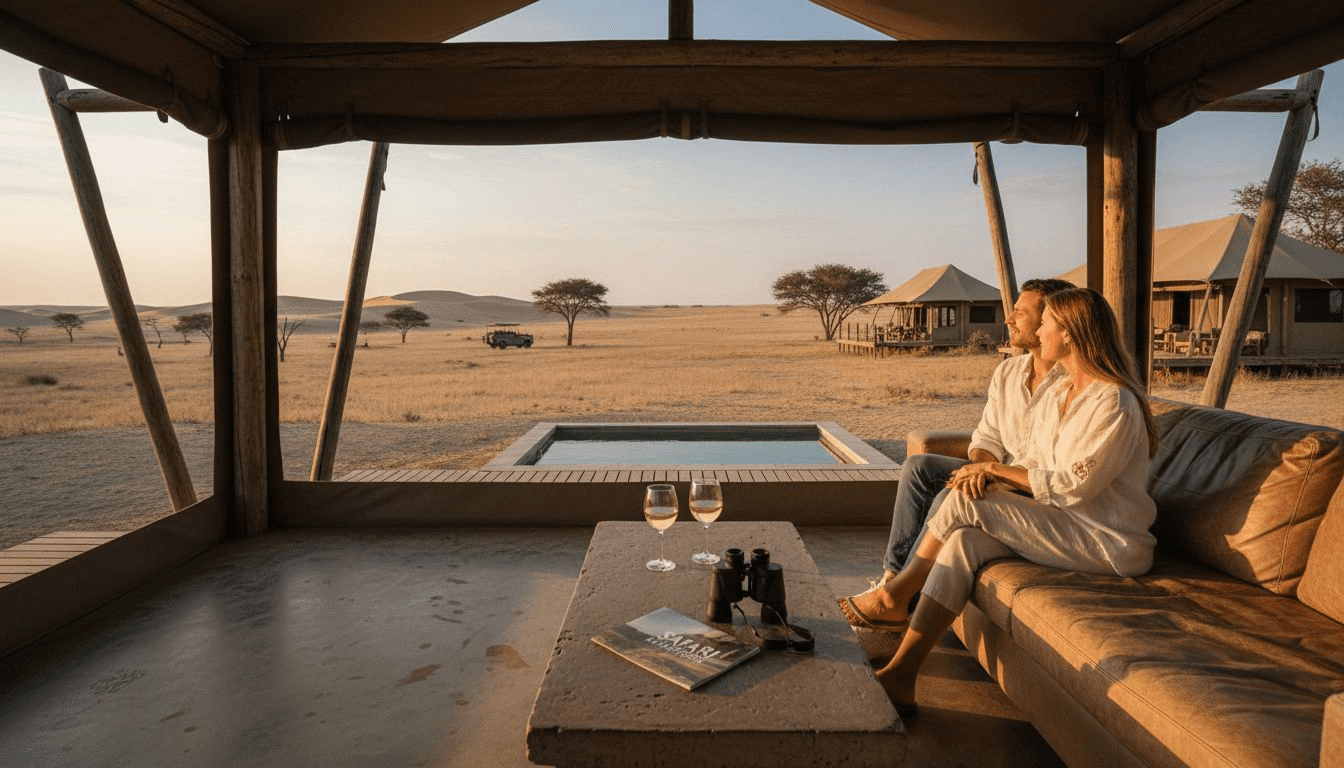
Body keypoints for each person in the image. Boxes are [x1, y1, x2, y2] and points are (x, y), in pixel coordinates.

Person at [859, 287, 1160, 716]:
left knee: (965, 503)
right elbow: (1034, 459)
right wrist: (989, 473)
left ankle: (894, 596)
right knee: (963, 542)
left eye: (1047, 324)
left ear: (1070, 335)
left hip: (1105, 541)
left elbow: (1074, 485)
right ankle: (903, 672)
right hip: (1062, 521)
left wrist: (993, 473)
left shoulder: (1113, 402)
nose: (1039, 330)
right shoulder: (1060, 394)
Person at [838, 278, 1075, 629]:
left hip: (1029, 486)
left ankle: (896, 598)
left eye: (1021, 312)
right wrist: (980, 467)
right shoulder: (1009, 371)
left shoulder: (1072, 382)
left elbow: (1054, 469)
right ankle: (892, 581)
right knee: (920, 467)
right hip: (997, 471)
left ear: (1051, 321)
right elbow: (986, 435)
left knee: (955, 492)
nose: (1009, 319)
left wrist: (992, 474)